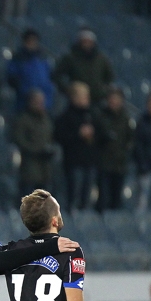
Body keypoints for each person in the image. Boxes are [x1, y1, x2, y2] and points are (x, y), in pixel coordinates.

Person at [54, 82, 102, 211]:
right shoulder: (66, 117)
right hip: (74, 162)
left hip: (90, 161)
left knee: (87, 197)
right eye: (82, 96)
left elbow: (101, 133)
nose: (86, 99)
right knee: (73, 195)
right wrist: (78, 134)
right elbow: (60, 136)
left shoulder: (93, 115)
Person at [53, 29, 114, 105]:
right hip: (76, 101)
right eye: (84, 41)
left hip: (97, 100)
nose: (87, 44)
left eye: (89, 41)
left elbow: (110, 77)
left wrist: (103, 91)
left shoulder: (102, 59)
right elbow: (56, 75)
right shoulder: (70, 58)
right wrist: (67, 90)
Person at [97, 88, 134, 211]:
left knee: (116, 198)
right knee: (103, 197)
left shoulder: (126, 118)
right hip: (103, 163)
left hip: (119, 164)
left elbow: (131, 138)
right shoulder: (101, 116)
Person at [13, 89, 55, 196]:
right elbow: (19, 139)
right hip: (29, 162)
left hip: (45, 163)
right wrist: (36, 149)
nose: (40, 105)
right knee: (28, 190)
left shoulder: (47, 118)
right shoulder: (23, 119)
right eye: (37, 102)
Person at [6, 29, 54, 113]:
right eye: (29, 41)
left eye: (34, 40)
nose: (32, 43)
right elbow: (12, 79)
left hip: (44, 103)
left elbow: (49, 78)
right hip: (25, 103)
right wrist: (27, 93)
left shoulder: (43, 59)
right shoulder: (18, 59)